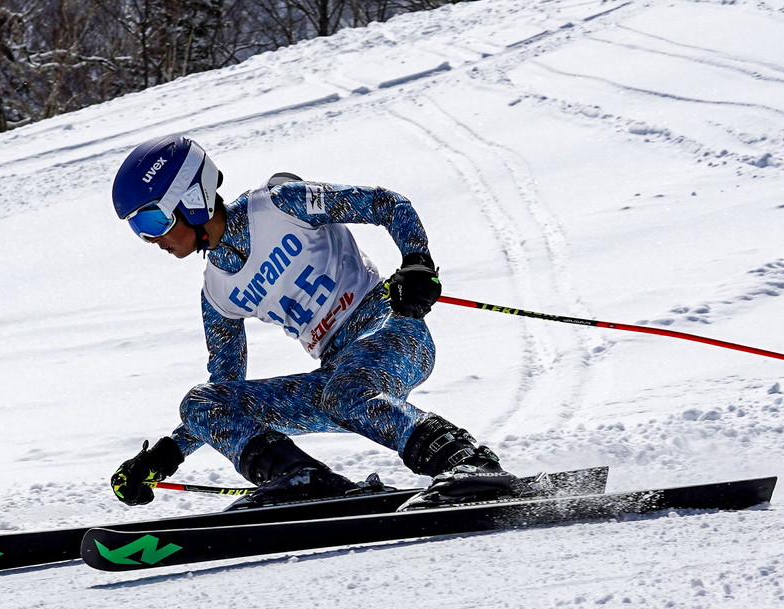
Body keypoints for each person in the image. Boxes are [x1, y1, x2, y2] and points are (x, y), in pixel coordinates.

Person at [108, 134, 517, 510]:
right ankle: (300, 479)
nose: (152, 239)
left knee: (345, 391)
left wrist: (417, 263)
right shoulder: (217, 292)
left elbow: (386, 203)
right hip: (334, 375)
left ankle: (469, 463)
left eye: (153, 221)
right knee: (202, 401)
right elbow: (225, 392)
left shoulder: (279, 205)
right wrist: (165, 456)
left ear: (192, 199)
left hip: (391, 329)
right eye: (138, 231)